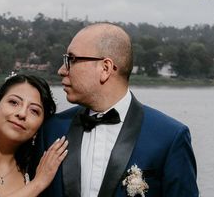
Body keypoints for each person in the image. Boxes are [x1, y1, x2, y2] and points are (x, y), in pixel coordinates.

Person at [36, 23, 198, 197]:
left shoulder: (170, 137)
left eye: (72, 59)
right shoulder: (52, 129)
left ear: (105, 68)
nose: (61, 70)